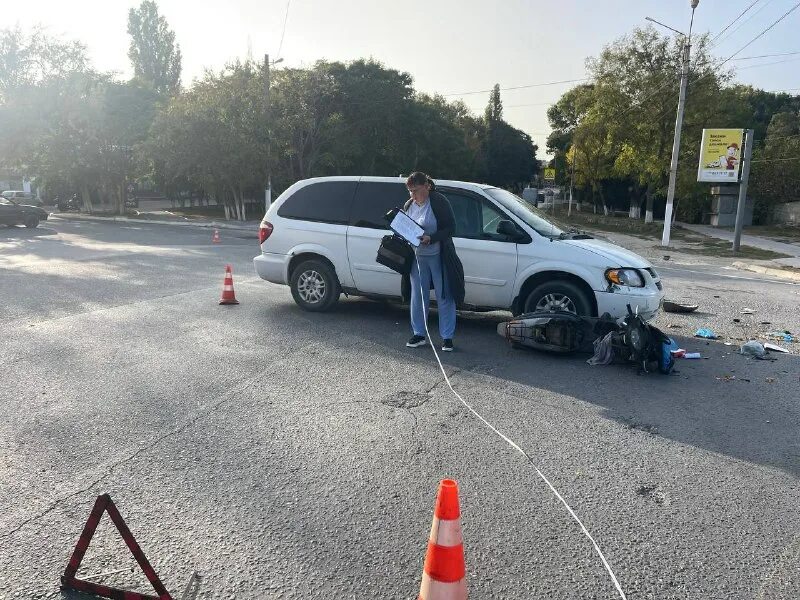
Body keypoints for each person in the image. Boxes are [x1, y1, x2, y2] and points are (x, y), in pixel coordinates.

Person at [401, 172, 465, 352]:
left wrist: (432, 237)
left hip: (439, 255)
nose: (412, 195)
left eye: (415, 191)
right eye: (410, 192)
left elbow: (451, 227)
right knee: (418, 297)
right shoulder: (409, 205)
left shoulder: (438, 201)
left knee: (444, 295)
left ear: (426, 186)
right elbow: (405, 227)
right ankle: (419, 334)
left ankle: (447, 338)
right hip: (417, 257)